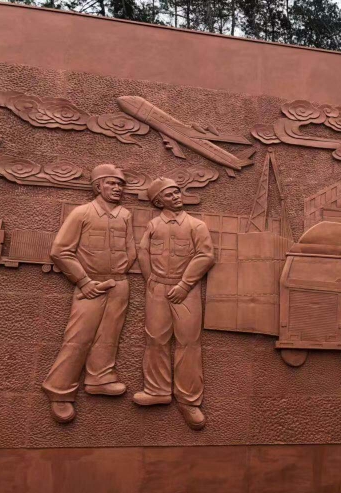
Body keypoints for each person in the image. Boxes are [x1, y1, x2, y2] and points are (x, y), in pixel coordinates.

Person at [42, 164, 136, 423]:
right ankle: (59, 389)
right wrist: (84, 281)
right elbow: (60, 251)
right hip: (90, 284)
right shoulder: (82, 213)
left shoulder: (125, 215)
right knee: (79, 336)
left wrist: (118, 272)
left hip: (118, 283)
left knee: (110, 334)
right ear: (98, 186)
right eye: (111, 183)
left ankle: (100, 378)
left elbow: (131, 250)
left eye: (120, 184)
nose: (117, 188)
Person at [133, 178, 215, 430]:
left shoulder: (196, 225)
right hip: (158, 288)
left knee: (188, 343)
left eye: (177, 192)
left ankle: (189, 400)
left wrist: (184, 285)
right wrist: (151, 280)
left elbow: (205, 256)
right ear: (159, 202)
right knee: (155, 339)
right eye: (170, 195)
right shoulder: (153, 225)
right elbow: (143, 252)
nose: (177, 197)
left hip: (186, 291)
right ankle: (156, 390)